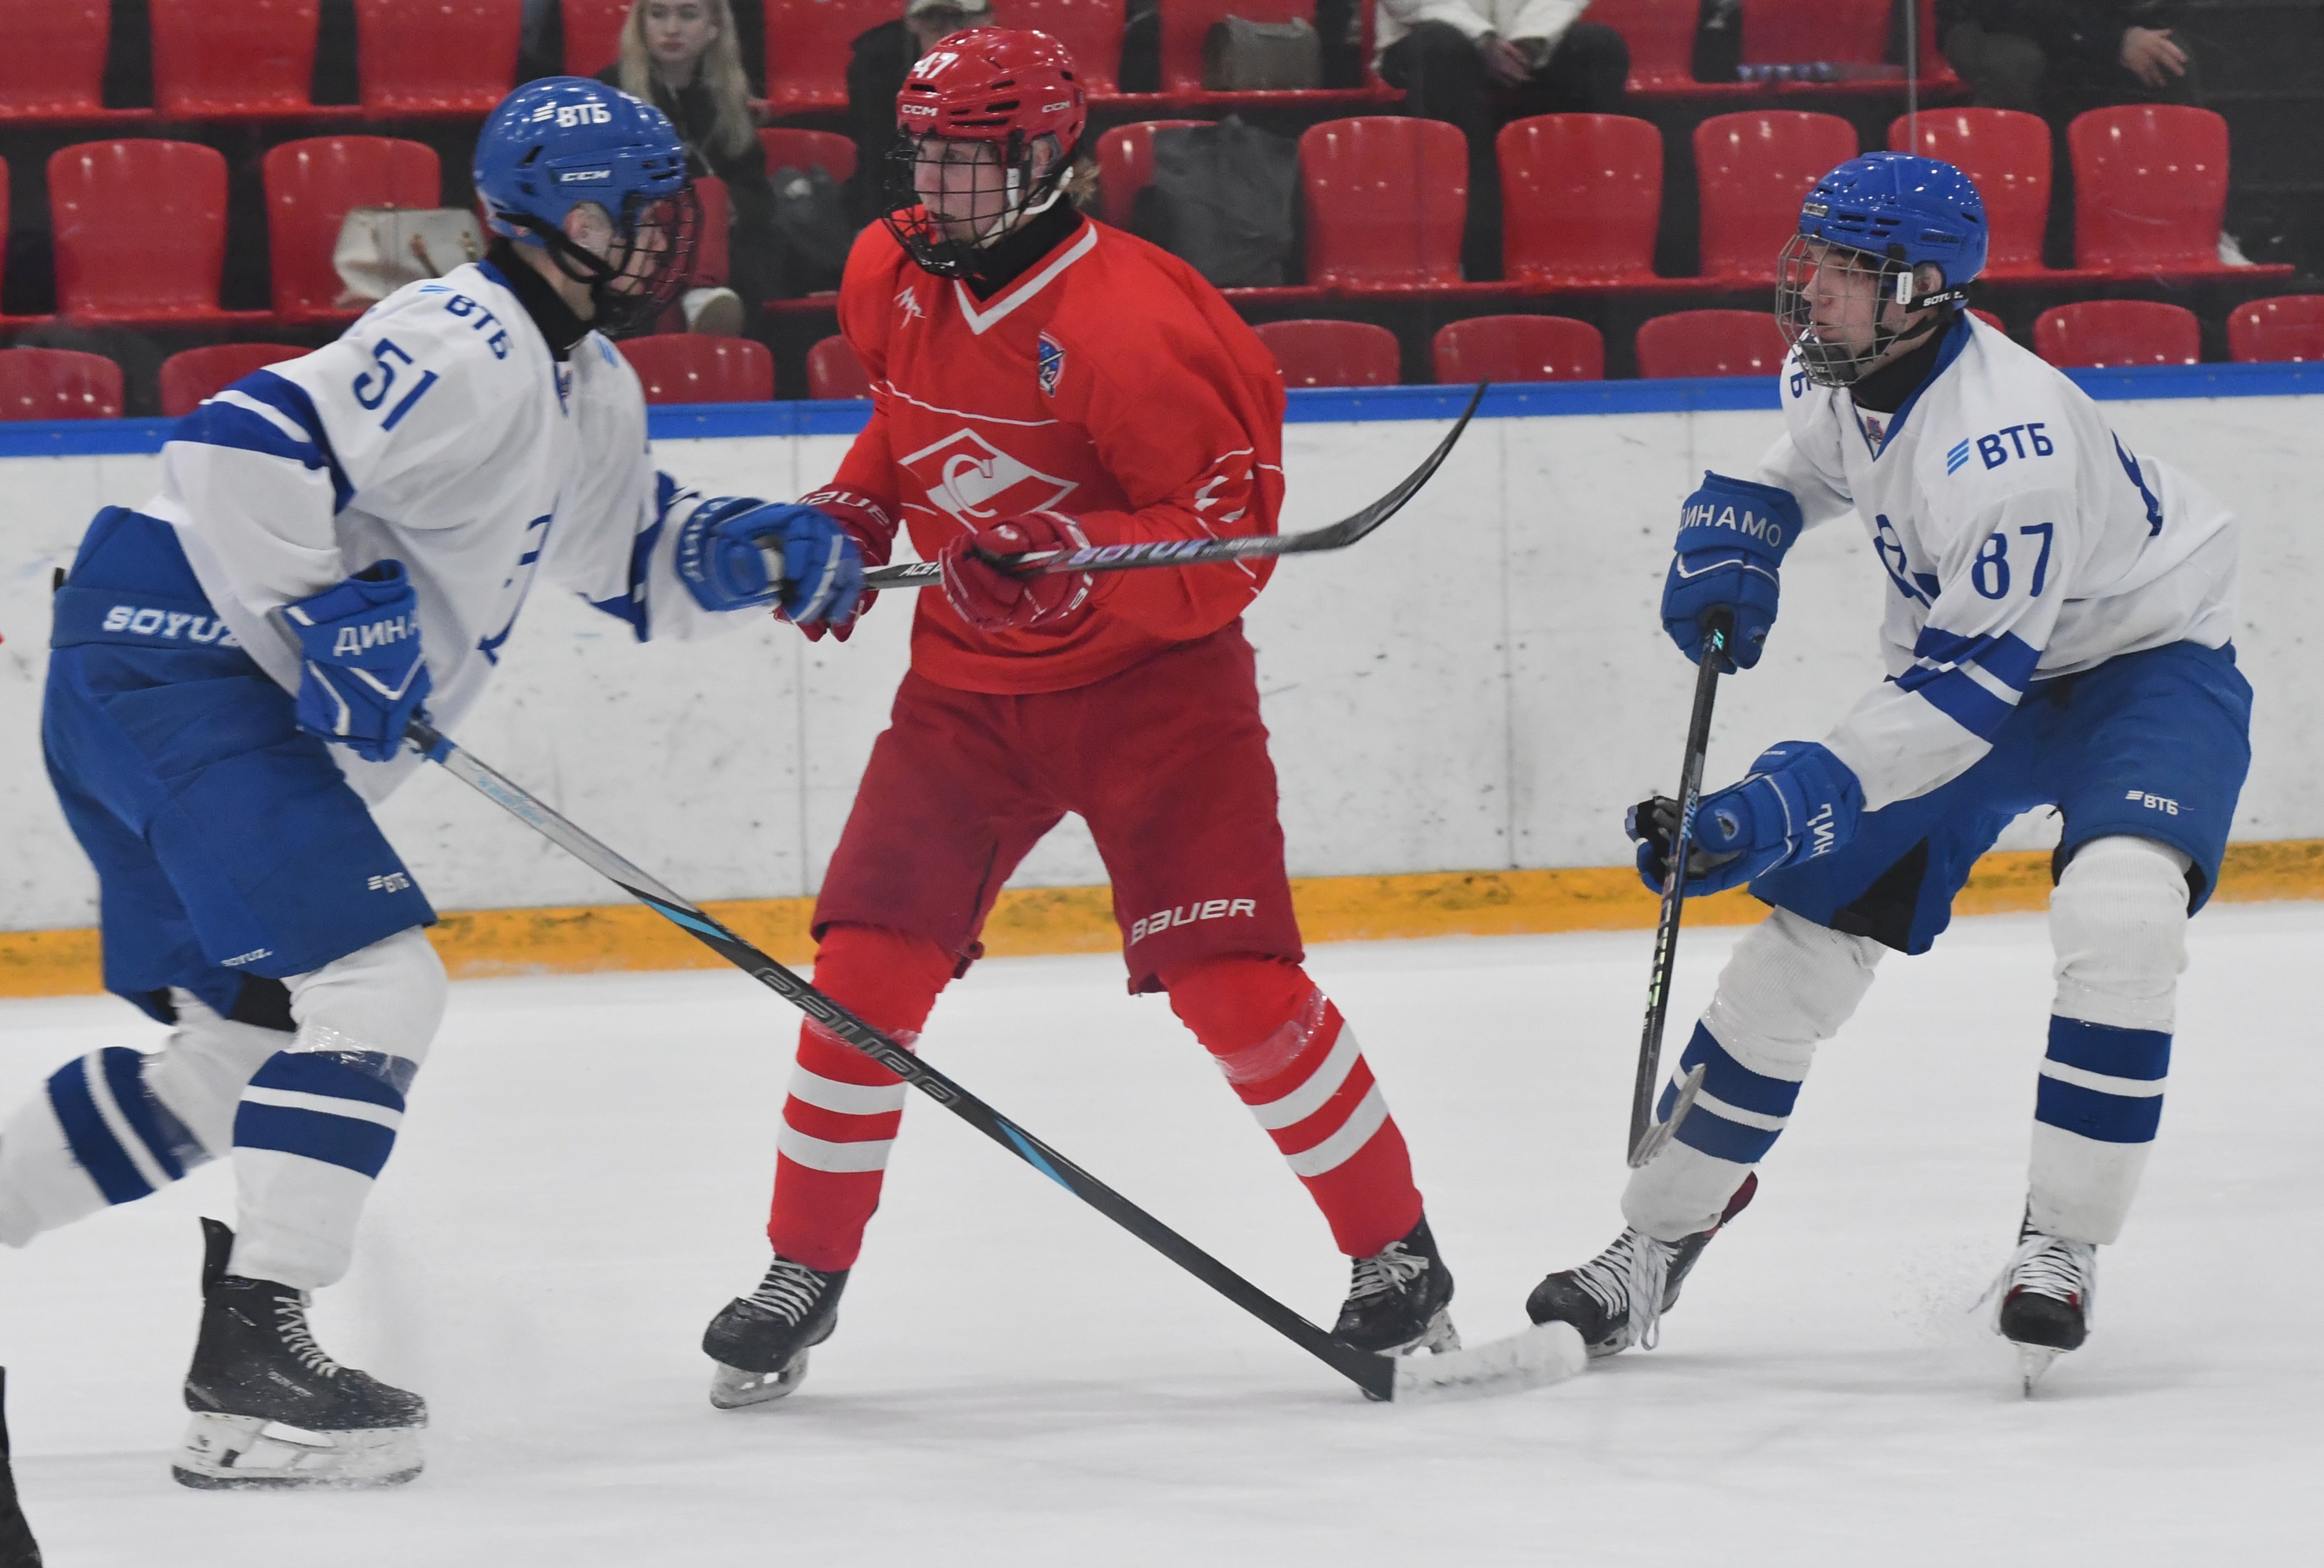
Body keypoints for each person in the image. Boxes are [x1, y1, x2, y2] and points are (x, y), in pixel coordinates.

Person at [0, 77, 866, 1489]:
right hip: (185, 661)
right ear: (547, 219)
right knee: (379, 980)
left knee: (235, 1060)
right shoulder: (461, 338)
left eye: (668, 213)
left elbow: (626, 556)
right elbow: (234, 444)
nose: (663, 239)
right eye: (634, 215)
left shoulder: (590, 380)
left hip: (166, 677)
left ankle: (235, 1391)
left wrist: (754, 551)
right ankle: (259, 1346)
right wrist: (328, 603)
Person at [698, 27, 1456, 1408]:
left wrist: (1070, 559)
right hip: (967, 692)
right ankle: (803, 1268)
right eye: (926, 157)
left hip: (1155, 690)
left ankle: (1393, 1250)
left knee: (1232, 985)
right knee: (860, 973)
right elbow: (904, 426)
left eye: (972, 163)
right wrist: (855, 510)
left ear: (1052, 161)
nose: (940, 188)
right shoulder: (887, 268)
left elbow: (1227, 547)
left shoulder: (1138, 325)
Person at [1523, 153, 2247, 1389]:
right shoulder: (1838, 368)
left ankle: (2062, 1241)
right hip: (1972, 669)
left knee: (2121, 912)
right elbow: (1805, 464)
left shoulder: (2006, 453)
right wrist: (1745, 524)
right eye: (1812, 258)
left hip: (2143, 665)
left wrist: (1780, 802)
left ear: (1923, 292)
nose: (1813, 289)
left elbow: (1961, 707)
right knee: (1801, 951)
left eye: (1848, 271)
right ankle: (1655, 1240)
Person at [1373, 0, 1630, 277]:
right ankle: (1472, 254)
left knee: (1599, 46)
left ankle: (1574, 242)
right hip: (1430, 35)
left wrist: (1530, 40)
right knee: (1440, 48)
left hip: (1527, 43)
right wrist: (1482, 39)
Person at [598, 0, 774, 329]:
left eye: (688, 15)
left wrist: (730, 207)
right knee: (699, 196)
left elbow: (757, 193)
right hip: (632, 233)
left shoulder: (727, 96)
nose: (672, 29)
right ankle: (699, 294)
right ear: (641, 24)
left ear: (714, 27)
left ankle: (704, 300)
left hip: (715, 243)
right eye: (658, 14)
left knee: (715, 200)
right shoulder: (609, 95)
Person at [843, 0, 995, 226]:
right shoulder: (878, 66)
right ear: (911, 22)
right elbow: (877, 160)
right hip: (897, 202)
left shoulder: (1010, 66)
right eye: (936, 19)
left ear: (988, 21)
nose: (951, 34)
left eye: (962, 20)